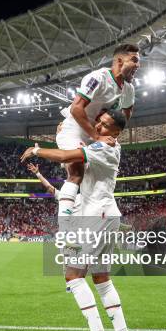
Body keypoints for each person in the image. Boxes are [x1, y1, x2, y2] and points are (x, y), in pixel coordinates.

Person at [22, 109, 135, 331]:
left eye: (105, 125)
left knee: (73, 275)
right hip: (104, 215)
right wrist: (67, 132)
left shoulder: (104, 149)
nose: (98, 125)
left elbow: (65, 156)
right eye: (98, 121)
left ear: (116, 133)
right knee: (101, 278)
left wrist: (37, 151)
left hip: (97, 216)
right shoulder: (102, 144)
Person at [55, 44, 139, 221]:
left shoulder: (129, 89)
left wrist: (113, 131)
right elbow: (77, 108)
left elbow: (126, 113)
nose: (138, 65)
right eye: (134, 60)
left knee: (100, 177)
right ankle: (65, 229)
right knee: (76, 172)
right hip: (76, 129)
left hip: (97, 132)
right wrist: (96, 136)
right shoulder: (98, 78)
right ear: (119, 60)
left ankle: (109, 214)